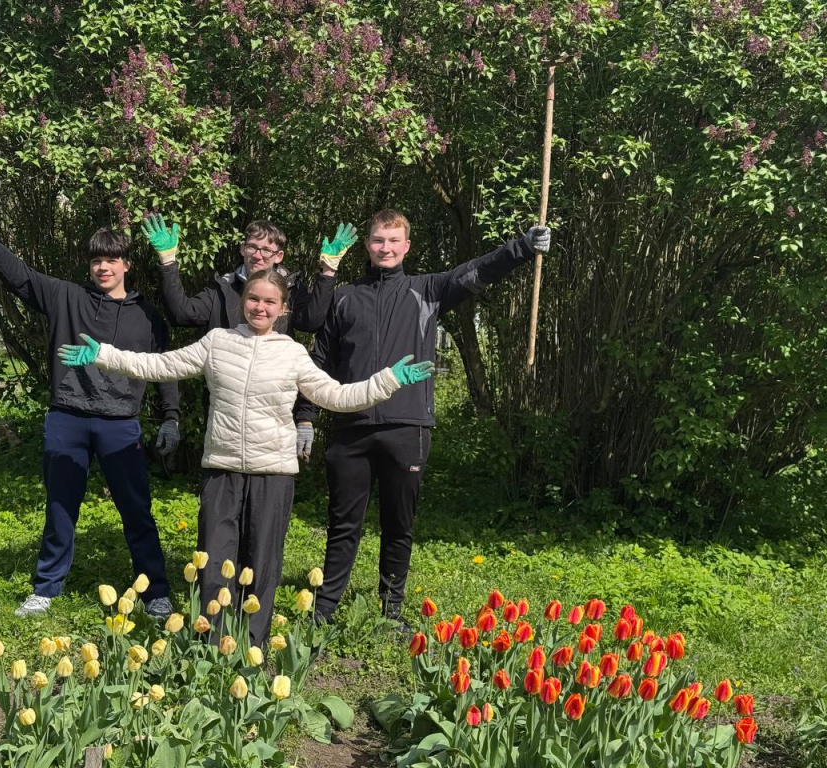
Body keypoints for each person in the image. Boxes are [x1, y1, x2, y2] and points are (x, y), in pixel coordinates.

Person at [56, 268, 433, 646]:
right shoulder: (217, 342)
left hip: (274, 473)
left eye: (270, 301)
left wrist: (388, 379)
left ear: (283, 309)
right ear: (243, 302)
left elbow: (337, 396)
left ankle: (252, 646)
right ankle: (212, 644)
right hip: (222, 469)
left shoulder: (293, 354)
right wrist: (103, 354)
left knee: (262, 564)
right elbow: (160, 365)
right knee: (215, 562)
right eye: (254, 299)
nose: (260, 307)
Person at [305, 209, 552, 628]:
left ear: (406, 247)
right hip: (350, 426)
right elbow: (317, 364)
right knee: (343, 523)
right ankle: (325, 609)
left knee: (398, 525)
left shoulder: (428, 290)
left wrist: (523, 248)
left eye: (393, 241)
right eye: (378, 240)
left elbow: (477, 271)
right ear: (367, 245)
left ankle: (391, 610)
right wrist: (304, 417)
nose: (385, 248)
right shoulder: (344, 297)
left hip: (408, 427)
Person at [0, 205, 180, 619]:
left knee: (137, 511)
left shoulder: (147, 316)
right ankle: (45, 588)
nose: (103, 267)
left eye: (111, 260)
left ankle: (155, 593)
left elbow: (166, 367)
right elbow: (20, 274)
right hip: (68, 418)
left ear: (127, 265)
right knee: (61, 507)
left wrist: (171, 416)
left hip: (120, 424)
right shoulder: (66, 297)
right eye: (96, 260)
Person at [142, 214, 357, 460]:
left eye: (267, 250)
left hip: (274, 411)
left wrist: (328, 272)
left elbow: (311, 322)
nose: (258, 255)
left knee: (270, 482)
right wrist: (168, 263)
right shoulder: (222, 288)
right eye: (253, 247)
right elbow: (182, 314)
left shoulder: (291, 289)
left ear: (279, 256)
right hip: (227, 412)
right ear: (243, 248)